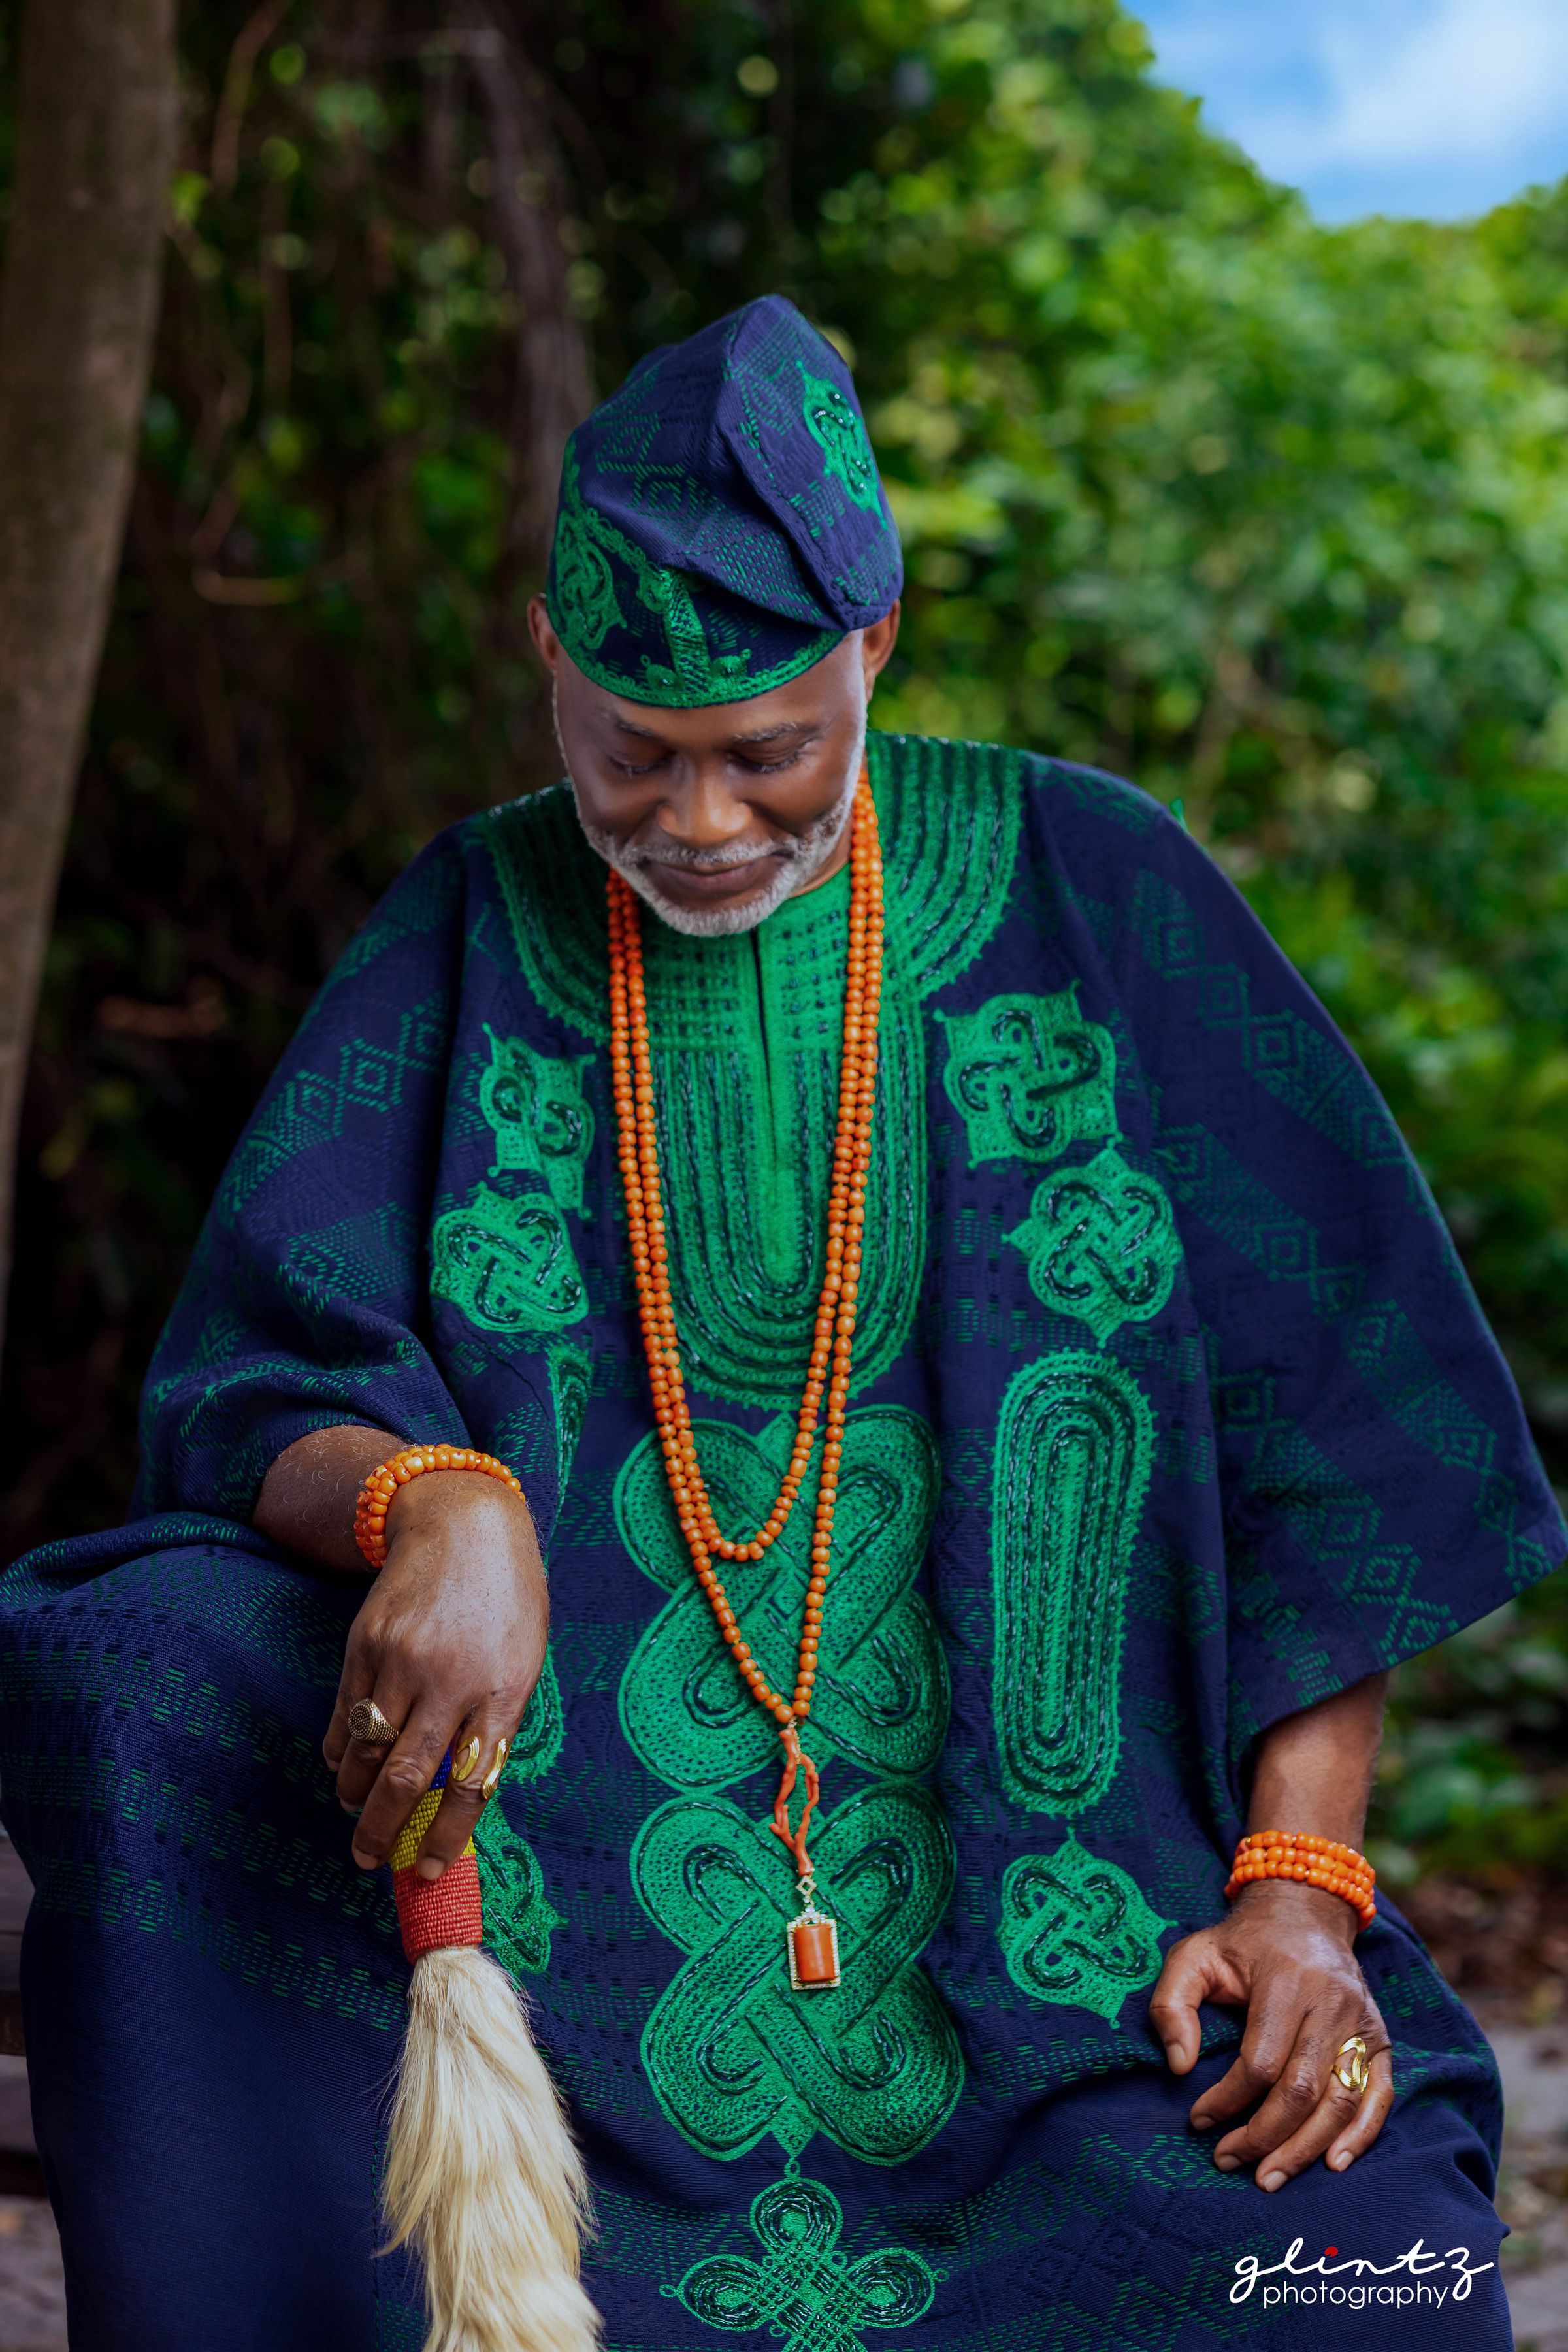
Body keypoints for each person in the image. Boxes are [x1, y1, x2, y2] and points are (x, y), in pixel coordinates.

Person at [0, 293, 1556, 2352]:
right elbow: (254, 1378)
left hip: (1056, 1959)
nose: (702, 821)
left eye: (769, 753)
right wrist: (434, 1498)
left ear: (873, 646)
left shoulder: (1101, 885)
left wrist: (1293, 1885)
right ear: (549, 663)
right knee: (144, 1656)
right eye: (633, 754)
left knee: (1370, 2289)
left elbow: (1342, 1443)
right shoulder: (470, 918)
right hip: (562, 1956)